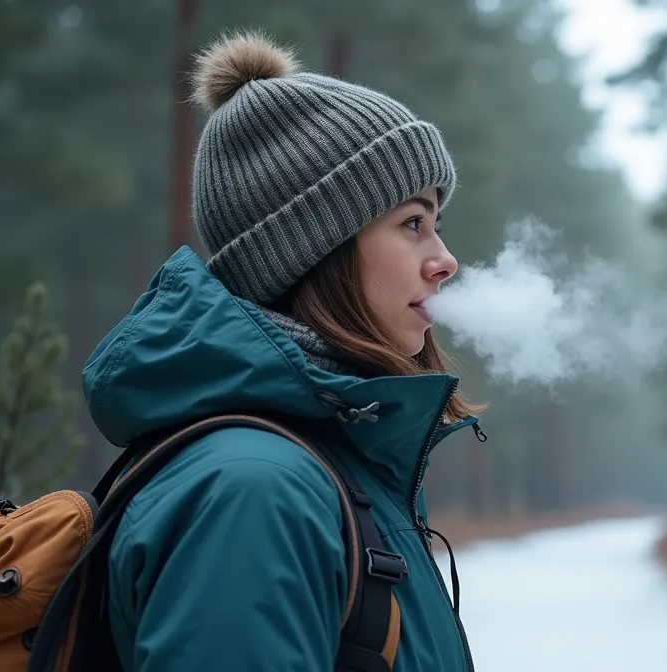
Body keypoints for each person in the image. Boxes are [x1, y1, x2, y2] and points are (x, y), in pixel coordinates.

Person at [83, 30, 483, 671]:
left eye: (437, 223)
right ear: (311, 248)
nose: (445, 260)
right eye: (412, 223)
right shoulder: (253, 492)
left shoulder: (323, 465)